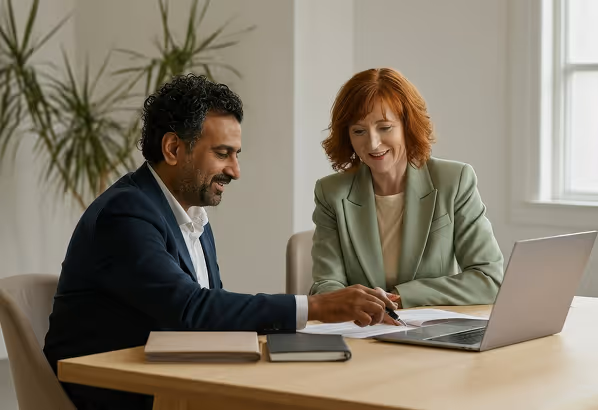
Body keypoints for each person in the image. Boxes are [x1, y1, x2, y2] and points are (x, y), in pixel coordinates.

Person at [43, 74, 399, 410]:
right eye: (223, 153)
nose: (235, 170)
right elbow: (190, 310)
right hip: (121, 391)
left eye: (236, 154)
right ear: (172, 148)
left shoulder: (191, 216)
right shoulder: (126, 213)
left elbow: (209, 314)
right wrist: (317, 307)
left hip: (174, 373)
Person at [310, 68, 504, 313]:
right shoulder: (331, 192)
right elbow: (325, 286)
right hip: (360, 334)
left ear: (407, 126)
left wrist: (401, 298)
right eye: (359, 131)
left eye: (385, 127)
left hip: (433, 335)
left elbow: (489, 280)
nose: (372, 143)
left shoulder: (454, 181)